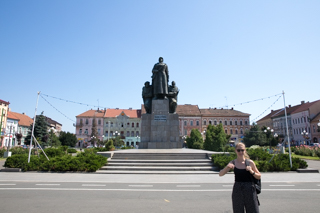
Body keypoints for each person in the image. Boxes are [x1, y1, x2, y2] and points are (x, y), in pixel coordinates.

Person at [219, 142, 261, 213]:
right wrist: (227, 168)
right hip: (237, 190)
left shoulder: (250, 162)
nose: (240, 152)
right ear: (235, 151)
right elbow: (220, 174)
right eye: (239, 150)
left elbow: (259, 176)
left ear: (245, 151)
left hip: (250, 190)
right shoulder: (233, 163)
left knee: (254, 211)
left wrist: (251, 171)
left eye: (242, 150)